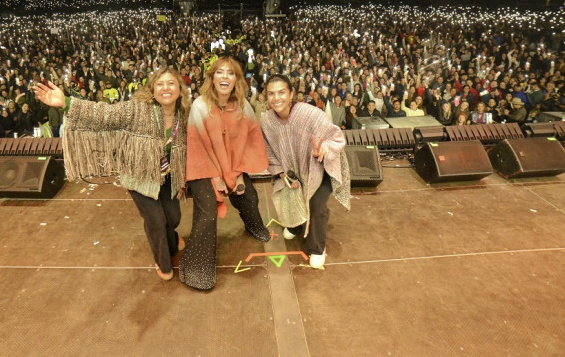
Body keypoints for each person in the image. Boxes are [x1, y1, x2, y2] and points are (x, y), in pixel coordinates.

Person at [33, 66, 189, 281]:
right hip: (139, 177)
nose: (165, 88)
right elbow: (103, 113)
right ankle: (163, 263)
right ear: (152, 89)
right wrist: (66, 102)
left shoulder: (186, 115)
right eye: (160, 84)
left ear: (180, 89)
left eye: (171, 83)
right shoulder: (136, 109)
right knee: (155, 220)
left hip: (168, 175)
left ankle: (172, 236)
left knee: (173, 217)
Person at [180, 56, 271, 290]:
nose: (225, 77)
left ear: (237, 79)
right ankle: (196, 267)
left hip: (233, 166)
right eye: (220, 72)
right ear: (212, 77)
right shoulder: (200, 106)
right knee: (208, 210)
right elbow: (197, 146)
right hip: (203, 168)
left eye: (230, 73)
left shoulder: (242, 105)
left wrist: (238, 174)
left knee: (248, 196)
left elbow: (251, 140)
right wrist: (215, 176)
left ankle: (255, 226)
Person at [260, 75, 351, 269]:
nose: (276, 98)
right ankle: (295, 224)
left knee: (316, 204)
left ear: (292, 93)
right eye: (271, 94)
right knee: (289, 194)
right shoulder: (266, 120)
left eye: (282, 92)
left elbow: (337, 138)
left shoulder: (310, 114)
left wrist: (325, 148)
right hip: (291, 171)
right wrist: (282, 174)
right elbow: (267, 149)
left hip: (321, 166)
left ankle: (317, 248)